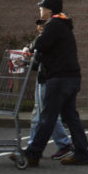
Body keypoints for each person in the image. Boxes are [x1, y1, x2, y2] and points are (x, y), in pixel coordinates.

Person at [10, 0, 88, 167]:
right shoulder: (64, 26)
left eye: (42, 8)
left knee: (47, 117)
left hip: (59, 79)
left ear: (49, 9)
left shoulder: (54, 25)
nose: (40, 10)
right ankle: (82, 153)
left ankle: (33, 154)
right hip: (72, 77)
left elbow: (40, 43)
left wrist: (27, 48)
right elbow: (48, 53)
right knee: (70, 116)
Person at [24, 18, 73, 160]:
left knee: (48, 114)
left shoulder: (50, 40)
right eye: (38, 24)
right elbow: (39, 62)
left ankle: (63, 144)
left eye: (43, 24)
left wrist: (29, 54)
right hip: (44, 79)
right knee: (38, 114)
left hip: (49, 80)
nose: (40, 27)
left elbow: (45, 60)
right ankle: (32, 145)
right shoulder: (42, 40)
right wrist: (26, 62)